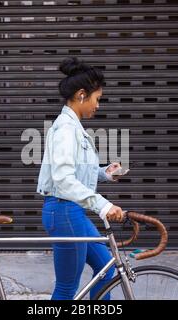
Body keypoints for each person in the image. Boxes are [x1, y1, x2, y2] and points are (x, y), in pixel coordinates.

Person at [36, 57, 127, 300]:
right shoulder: (66, 129)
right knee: (67, 287)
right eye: (97, 99)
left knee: (106, 271)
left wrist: (104, 173)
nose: (98, 106)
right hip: (64, 211)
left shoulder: (74, 127)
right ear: (82, 95)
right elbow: (64, 180)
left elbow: (76, 171)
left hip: (71, 211)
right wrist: (103, 205)